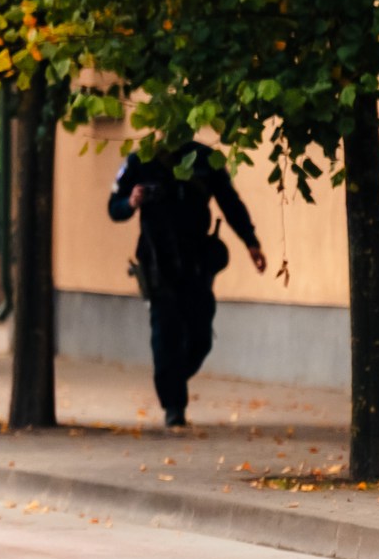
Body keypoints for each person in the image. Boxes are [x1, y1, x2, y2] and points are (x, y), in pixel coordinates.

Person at [110, 140, 267, 428]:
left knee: (200, 337)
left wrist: (251, 241)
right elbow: (114, 207)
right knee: (165, 334)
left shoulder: (205, 159)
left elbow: (230, 203)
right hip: (158, 262)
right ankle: (174, 406)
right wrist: (131, 202)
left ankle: (172, 379)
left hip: (196, 262)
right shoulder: (142, 160)